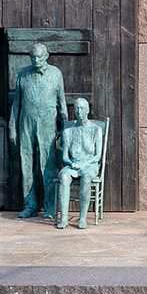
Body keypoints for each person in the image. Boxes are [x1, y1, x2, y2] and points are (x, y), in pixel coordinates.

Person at [9, 42, 67, 219]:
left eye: (39, 57)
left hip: (48, 125)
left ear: (47, 56)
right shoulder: (22, 74)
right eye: (33, 57)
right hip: (25, 123)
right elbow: (16, 104)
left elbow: (62, 102)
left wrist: (64, 129)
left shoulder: (56, 74)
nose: (36, 60)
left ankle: (50, 207)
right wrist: (12, 127)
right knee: (26, 165)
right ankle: (30, 204)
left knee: (47, 166)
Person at [56, 98, 103, 230]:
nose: (79, 111)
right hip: (73, 165)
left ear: (88, 110)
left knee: (87, 177)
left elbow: (97, 156)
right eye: (76, 108)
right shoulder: (68, 132)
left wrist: (85, 164)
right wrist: (71, 163)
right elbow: (65, 156)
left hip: (90, 164)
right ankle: (64, 218)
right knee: (63, 176)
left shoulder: (96, 130)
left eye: (82, 108)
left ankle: (82, 217)